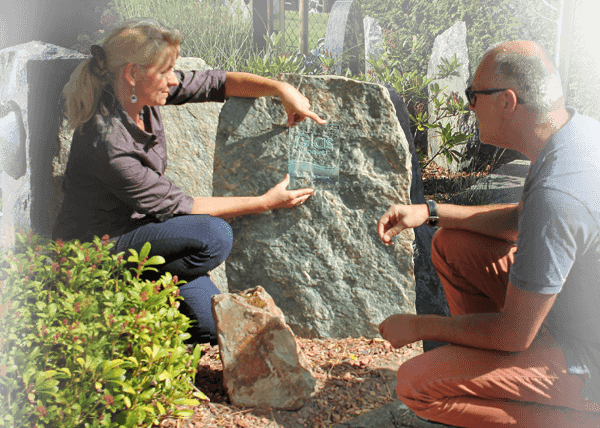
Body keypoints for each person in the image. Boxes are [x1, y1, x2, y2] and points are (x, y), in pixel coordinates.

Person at [53, 18, 326, 346]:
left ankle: (145, 294)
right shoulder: (109, 146)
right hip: (100, 251)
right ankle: (116, 294)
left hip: (144, 235)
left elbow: (217, 83)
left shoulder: (140, 93)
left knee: (212, 328)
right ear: (131, 73)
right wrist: (266, 202)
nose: (173, 80)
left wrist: (281, 89)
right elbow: (186, 207)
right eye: (166, 70)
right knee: (214, 235)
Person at [377, 39, 600, 427]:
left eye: (473, 94)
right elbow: (522, 218)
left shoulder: (557, 193)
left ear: (507, 101)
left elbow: (514, 334)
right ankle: (491, 368)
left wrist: (417, 326)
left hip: (590, 365)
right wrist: (430, 212)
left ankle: (574, 417)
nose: (469, 106)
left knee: (416, 384)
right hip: (577, 313)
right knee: (453, 245)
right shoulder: (576, 135)